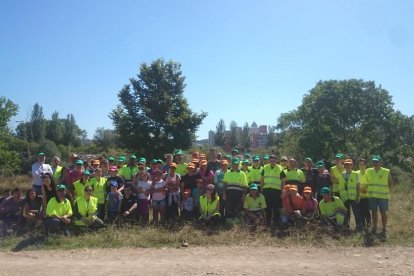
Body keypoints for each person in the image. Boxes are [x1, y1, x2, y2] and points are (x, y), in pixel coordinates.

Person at [366, 155, 393, 240]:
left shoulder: (386, 171)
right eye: (374, 161)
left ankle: (384, 229)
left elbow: (390, 183)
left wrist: (389, 192)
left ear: (380, 162)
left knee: (383, 213)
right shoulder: (368, 171)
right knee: (374, 212)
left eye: (377, 161)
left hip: (383, 196)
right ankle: (375, 228)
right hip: (372, 195)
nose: (375, 163)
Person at [260, 155, 286, 226]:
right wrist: (262, 190)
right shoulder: (265, 167)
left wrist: (283, 190)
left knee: (276, 207)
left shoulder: (280, 168)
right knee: (267, 206)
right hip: (266, 190)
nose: (272, 162)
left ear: (276, 161)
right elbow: (261, 180)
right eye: (271, 161)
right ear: (269, 161)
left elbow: (283, 180)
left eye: (273, 161)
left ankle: (276, 221)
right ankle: (268, 221)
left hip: (276, 190)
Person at [338, 159, 362, 231]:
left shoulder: (355, 174)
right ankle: (346, 226)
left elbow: (358, 186)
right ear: (344, 165)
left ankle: (359, 227)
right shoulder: (342, 174)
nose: (347, 166)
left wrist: (358, 196)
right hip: (345, 197)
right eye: (346, 164)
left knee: (356, 212)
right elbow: (340, 186)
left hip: (353, 197)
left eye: (349, 164)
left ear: (352, 165)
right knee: (346, 212)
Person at [357, 158, 371, 229]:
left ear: (366, 165)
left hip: (367, 195)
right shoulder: (356, 173)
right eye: (360, 164)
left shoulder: (368, 173)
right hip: (359, 196)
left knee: (367, 211)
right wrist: (360, 189)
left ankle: (369, 223)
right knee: (361, 211)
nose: (361, 166)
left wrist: (363, 189)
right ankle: (363, 225)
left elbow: (370, 183)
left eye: (363, 164)